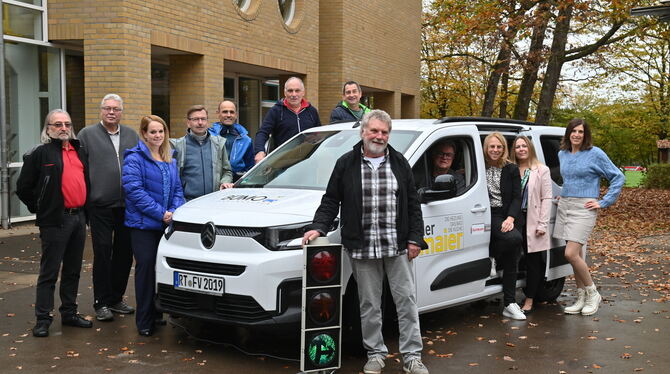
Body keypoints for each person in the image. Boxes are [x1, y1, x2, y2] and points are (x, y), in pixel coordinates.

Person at [303, 110, 429, 374]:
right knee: (369, 305)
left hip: (397, 246)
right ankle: (375, 353)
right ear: (363, 132)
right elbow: (330, 200)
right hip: (361, 246)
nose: (379, 136)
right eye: (374, 131)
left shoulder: (399, 163)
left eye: (384, 132)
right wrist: (318, 228)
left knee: (406, 301)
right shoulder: (346, 163)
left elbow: (413, 205)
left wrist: (416, 238)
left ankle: (412, 357)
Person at [16, 109, 93, 337]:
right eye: (57, 124)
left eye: (66, 124)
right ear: (48, 129)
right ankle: (43, 318)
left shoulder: (80, 151)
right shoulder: (40, 154)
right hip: (55, 221)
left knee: (73, 270)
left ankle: (69, 313)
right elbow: (23, 188)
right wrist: (40, 208)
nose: (63, 128)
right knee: (49, 272)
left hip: (78, 218)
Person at [78, 94, 139, 321]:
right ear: (101, 111)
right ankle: (101, 302)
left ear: (121, 112)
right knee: (103, 252)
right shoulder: (87, 135)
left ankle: (116, 298)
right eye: (107, 108)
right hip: (100, 206)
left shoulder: (132, 135)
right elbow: (81, 170)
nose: (111, 112)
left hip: (128, 205)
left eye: (116, 109)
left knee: (124, 253)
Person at [554, 119, 624, 316]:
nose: (576, 135)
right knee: (578, 256)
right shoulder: (563, 154)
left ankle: (593, 294)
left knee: (570, 254)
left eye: (581, 132)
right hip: (565, 205)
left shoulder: (595, 153)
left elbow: (618, 176)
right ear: (568, 134)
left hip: (584, 207)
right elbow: (570, 179)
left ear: (586, 135)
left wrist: (604, 201)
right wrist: (564, 193)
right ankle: (581, 296)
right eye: (573, 131)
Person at [122, 115, 185, 336]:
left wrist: (175, 211)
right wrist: (162, 214)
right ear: (144, 134)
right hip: (143, 226)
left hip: (166, 224)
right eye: (153, 132)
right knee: (146, 269)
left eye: (161, 131)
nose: (157, 136)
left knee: (163, 270)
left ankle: (158, 313)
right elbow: (135, 191)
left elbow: (178, 190)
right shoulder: (134, 158)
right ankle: (144, 320)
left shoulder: (170, 158)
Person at [483, 132, 526, 321]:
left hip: (505, 214)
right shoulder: (478, 166)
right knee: (513, 242)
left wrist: (510, 218)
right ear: (486, 147)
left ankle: (509, 303)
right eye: (492, 146)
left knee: (514, 244)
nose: (495, 150)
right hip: (485, 213)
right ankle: (509, 301)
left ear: (504, 149)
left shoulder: (511, 169)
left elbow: (518, 196)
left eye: (499, 147)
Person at [511, 136, 552, 314]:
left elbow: (547, 197)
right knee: (511, 259)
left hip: (532, 219)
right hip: (513, 218)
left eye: (524, 146)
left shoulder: (541, 170)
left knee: (533, 262)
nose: (521, 149)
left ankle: (529, 299)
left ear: (530, 149)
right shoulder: (510, 169)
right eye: (518, 146)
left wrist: (543, 224)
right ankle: (509, 298)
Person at [171, 105, 233, 200]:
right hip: (187, 203)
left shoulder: (219, 143)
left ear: (207, 122)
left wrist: (225, 182)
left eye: (203, 119)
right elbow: (173, 178)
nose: (200, 123)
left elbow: (227, 171)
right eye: (195, 119)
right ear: (188, 123)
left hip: (214, 201)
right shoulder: (178, 146)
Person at [253, 77, 321, 163]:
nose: (294, 94)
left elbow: (319, 134)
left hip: (308, 161)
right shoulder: (276, 111)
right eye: (290, 91)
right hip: (283, 163)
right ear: (285, 93)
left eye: (297, 90)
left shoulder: (312, 111)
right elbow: (262, 132)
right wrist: (259, 152)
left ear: (303, 92)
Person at [208, 100, 255, 181]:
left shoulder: (246, 140)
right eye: (225, 112)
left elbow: (250, 168)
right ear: (218, 113)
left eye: (232, 112)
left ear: (236, 115)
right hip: (213, 182)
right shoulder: (209, 136)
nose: (228, 115)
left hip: (237, 184)